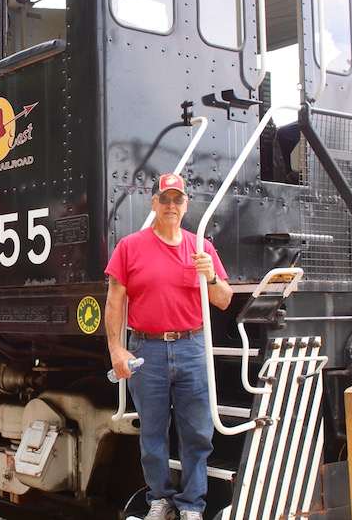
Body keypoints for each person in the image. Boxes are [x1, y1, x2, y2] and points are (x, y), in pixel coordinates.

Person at [105, 173, 232, 520]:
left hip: (192, 346)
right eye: (165, 199)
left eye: (178, 200)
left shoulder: (202, 248)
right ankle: (159, 500)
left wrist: (211, 276)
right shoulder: (130, 246)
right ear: (154, 203)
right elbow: (114, 301)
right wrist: (117, 349)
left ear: (186, 204)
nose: (171, 206)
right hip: (147, 351)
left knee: (197, 432)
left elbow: (223, 300)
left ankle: (192, 505)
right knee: (152, 434)